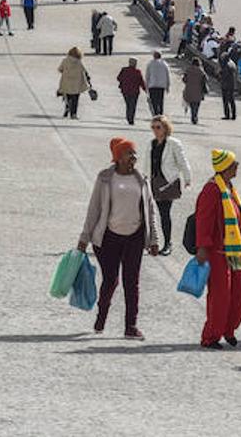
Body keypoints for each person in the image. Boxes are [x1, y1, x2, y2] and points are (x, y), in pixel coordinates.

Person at [76, 138, 160, 339]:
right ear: (118, 157)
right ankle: (101, 317)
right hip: (108, 238)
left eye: (134, 153)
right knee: (110, 280)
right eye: (128, 153)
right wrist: (84, 238)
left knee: (132, 282)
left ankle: (131, 326)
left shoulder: (142, 179)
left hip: (135, 237)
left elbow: (150, 209)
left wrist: (154, 239)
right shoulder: (105, 178)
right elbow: (94, 209)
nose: (133, 157)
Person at [195, 149, 241, 348]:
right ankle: (211, 335)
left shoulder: (229, 187)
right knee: (220, 295)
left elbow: (239, 221)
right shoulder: (212, 189)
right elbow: (204, 219)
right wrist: (202, 247)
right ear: (225, 167)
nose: (237, 166)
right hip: (217, 252)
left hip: (236, 251)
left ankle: (229, 329)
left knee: (240, 291)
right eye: (234, 163)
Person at [148, 115, 191, 255]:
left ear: (165, 128)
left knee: (164, 213)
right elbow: (147, 163)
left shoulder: (173, 143)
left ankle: (167, 244)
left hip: (168, 182)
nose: (155, 130)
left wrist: (187, 178)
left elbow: (183, 162)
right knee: (156, 212)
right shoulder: (152, 143)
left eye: (158, 127)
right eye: (153, 127)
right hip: (154, 181)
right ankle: (156, 242)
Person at [57, 47, 91, 119]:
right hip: (77, 83)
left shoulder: (65, 61)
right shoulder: (79, 62)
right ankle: (73, 114)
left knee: (67, 97)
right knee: (75, 99)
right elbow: (84, 71)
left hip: (66, 82)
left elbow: (60, 69)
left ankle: (67, 108)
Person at [117, 57, 146, 125]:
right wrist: (145, 89)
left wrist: (124, 81)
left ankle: (129, 117)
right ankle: (131, 118)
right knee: (133, 105)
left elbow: (118, 78)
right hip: (134, 91)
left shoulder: (124, 70)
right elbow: (141, 81)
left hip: (125, 90)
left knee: (128, 104)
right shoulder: (137, 72)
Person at [182, 57, 207, 124]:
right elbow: (205, 79)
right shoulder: (201, 71)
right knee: (197, 104)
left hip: (189, 89)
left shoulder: (188, 70)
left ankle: (193, 116)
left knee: (192, 104)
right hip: (199, 90)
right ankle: (195, 115)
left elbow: (184, 79)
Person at [145, 51, 169, 115]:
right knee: (160, 100)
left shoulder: (150, 64)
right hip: (161, 85)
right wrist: (167, 86)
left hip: (152, 85)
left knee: (153, 100)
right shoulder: (164, 64)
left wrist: (146, 86)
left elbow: (147, 75)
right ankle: (161, 113)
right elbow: (167, 75)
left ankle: (156, 113)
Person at [218, 52, 238, 120]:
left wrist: (219, 75)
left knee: (226, 101)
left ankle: (227, 115)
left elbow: (224, 75)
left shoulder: (226, 65)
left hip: (226, 85)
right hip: (231, 84)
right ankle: (233, 115)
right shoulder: (232, 63)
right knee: (231, 100)